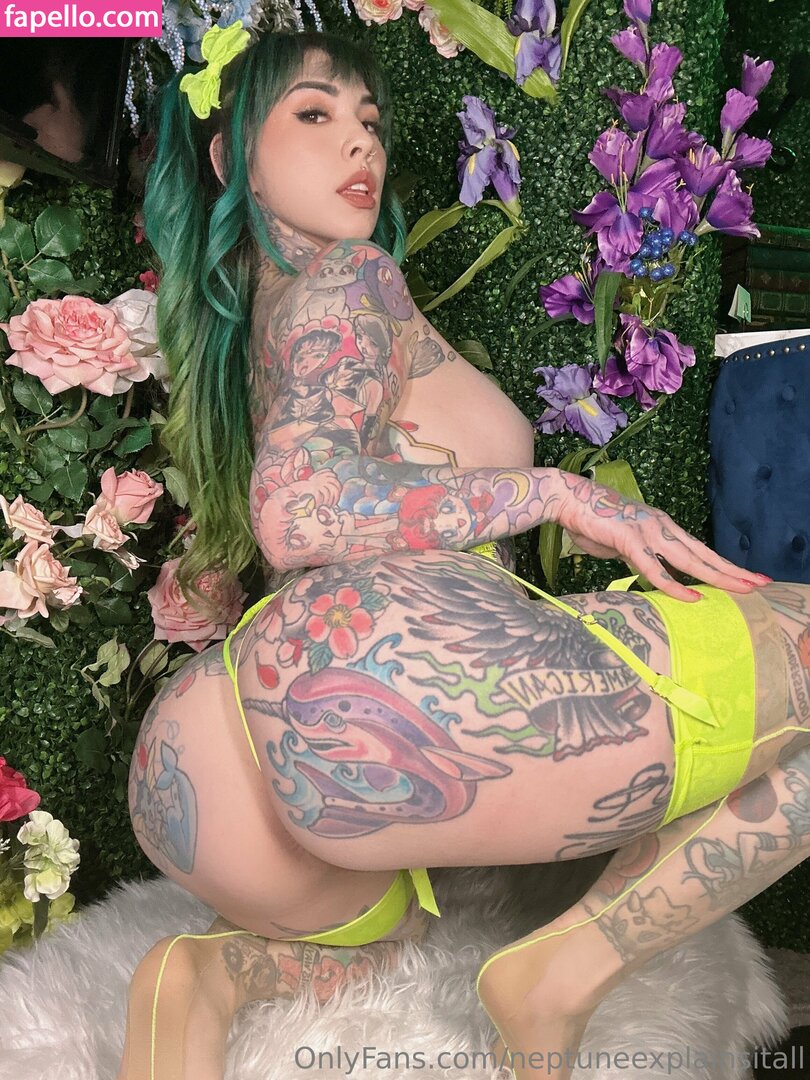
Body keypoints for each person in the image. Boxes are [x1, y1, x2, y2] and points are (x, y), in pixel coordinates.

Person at [120, 21, 810, 1080]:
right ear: (230, 157)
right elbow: (299, 509)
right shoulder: (351, 279)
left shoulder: (258, 309)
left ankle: (207, 977)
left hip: (214, 759)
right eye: (314, 114)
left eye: (369, 119)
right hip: (393, 681)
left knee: (379, 944)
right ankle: (561, 975)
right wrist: (561, 492)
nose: (360, 141)